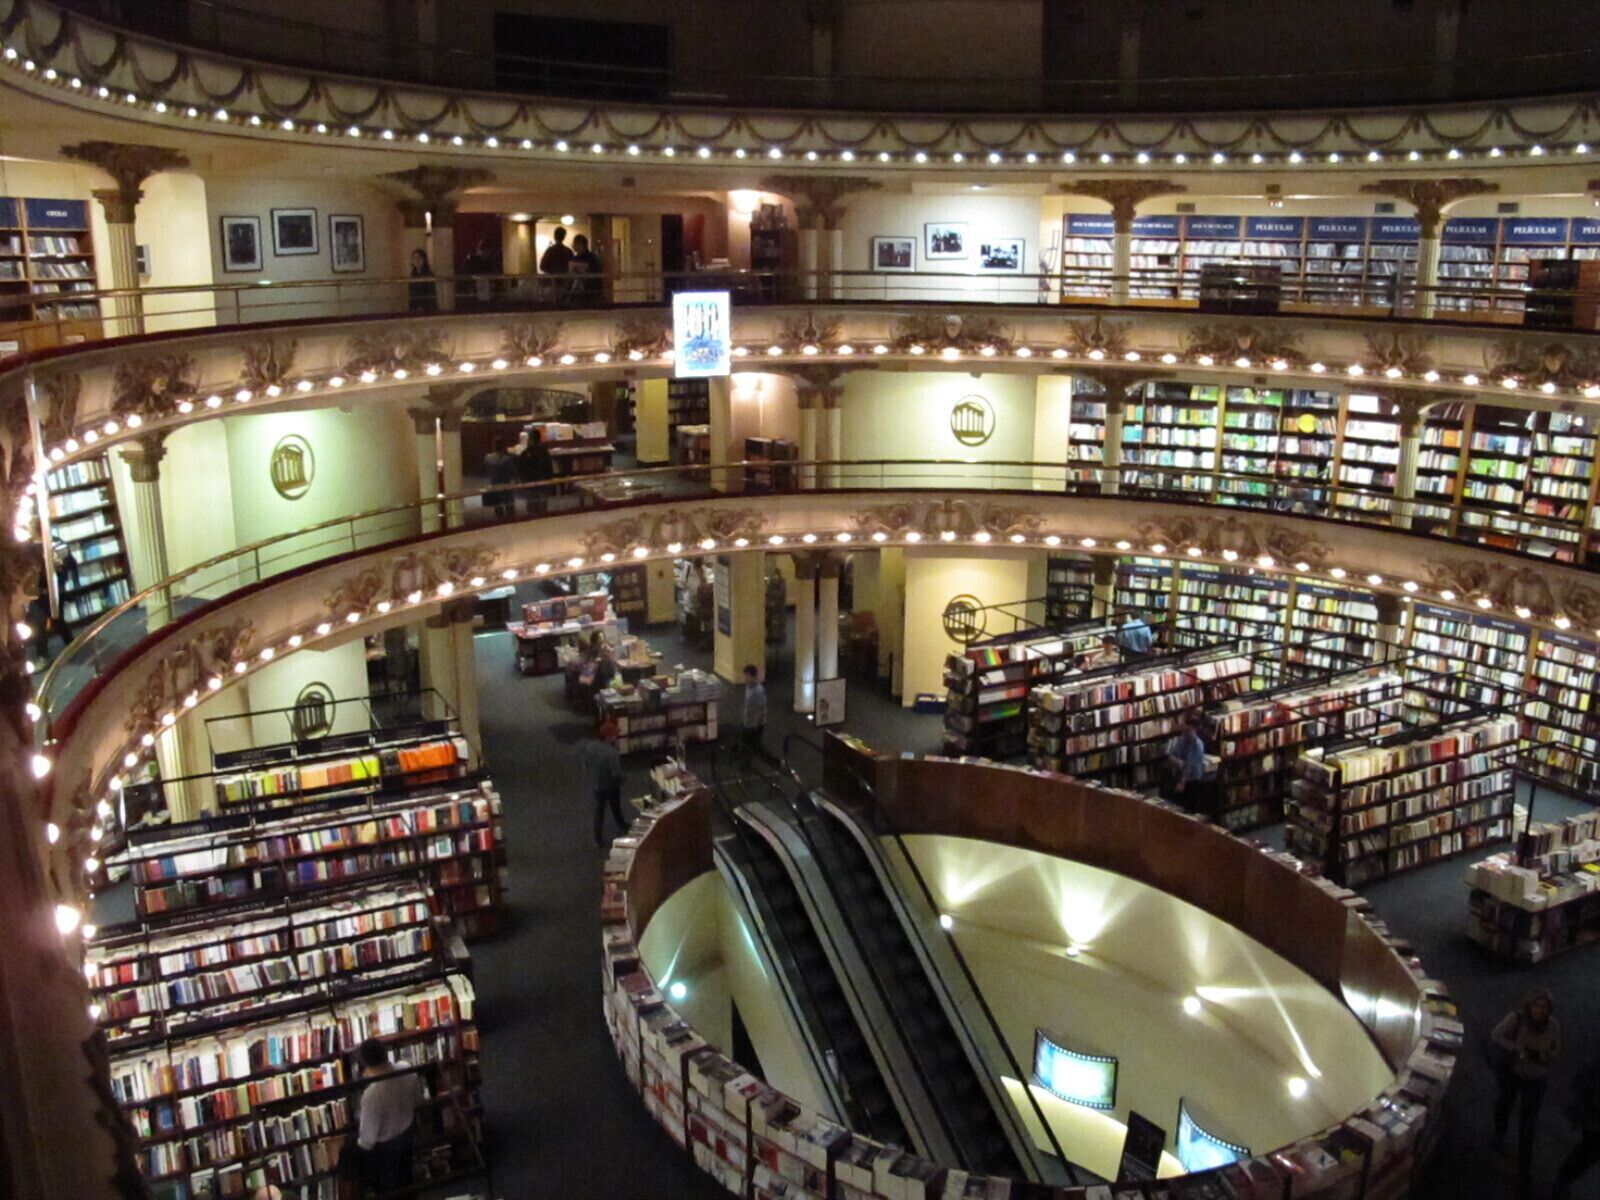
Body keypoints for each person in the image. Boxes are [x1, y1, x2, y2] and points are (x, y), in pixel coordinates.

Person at [1492, 989, 1561, 1184]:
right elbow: (1496, 1035)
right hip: (1515, 1073)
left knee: (1528, 1123)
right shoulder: (1517, 1019)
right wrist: (1515, 1048)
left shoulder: (1553, 1026)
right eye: (1536, 1005)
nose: (1539, 1010)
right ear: (1529, 1005)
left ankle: (1524, 1168)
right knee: (1505, 1105)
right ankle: (1499, 1136)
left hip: (1537, 1077)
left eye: (1544, 1007)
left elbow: (1556, 1050)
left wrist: (1545, 1057)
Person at [355, 1037, 422, 1193]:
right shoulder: (406, 1068)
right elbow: (418, 1100)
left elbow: (367, 1141)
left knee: (351, 1149)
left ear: (366, 1065)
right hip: (408, 1134)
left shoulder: (371, 1094)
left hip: (385, 1149)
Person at [1554, 1054, 1600, 1199]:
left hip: (1593, 1113)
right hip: (1594, 1115)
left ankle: (1564, 1180)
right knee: (1588, 1151)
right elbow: (1585, 1080)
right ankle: (1563, 1181)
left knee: (1589, 1152)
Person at [582, 720, 627, 846]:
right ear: (608, 737)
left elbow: (585, 764)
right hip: (610, 785)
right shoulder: (611, 753)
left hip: (596, 784)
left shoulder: (590, 746)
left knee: (599, 812)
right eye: (614, 735)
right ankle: (621, 825)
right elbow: (616, 773)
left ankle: (597, 839)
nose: (616, 737)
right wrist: (623, 779)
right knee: (615, 806)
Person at [1163, 712, 1207, 799]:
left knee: (1187, 804)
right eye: (1184, 730)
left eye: (1188, 731)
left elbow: (1188, 766)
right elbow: (1171, 755)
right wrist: (1178, 761)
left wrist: (1182, 783)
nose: (1185, 733)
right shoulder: (1181, 739)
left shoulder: (1198, 745)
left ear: (1194, 730)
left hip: (1192, 779)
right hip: (1178, 774)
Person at [518, 429, 555, 514]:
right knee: (543, 508)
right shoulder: (544, 451)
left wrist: (524, 482)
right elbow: (549, 467)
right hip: (543, 483)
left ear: (530, 439)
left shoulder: (526, 453)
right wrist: (549, 480)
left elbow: (521, 469)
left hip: (530, 484)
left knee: (532, 508)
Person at [483, 441, 521, 518]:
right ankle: (511, 520)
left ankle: (500, 520)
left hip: (494, 484)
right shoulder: (508, 459)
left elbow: (485, 469)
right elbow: (513, 471)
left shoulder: (488, 457)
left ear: (493, 446)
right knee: (509, 506)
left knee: (498, 507)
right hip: (506, 484)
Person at [539, 225, 574, 301]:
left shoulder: (550, 251)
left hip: (551, 283)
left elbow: (542, 266)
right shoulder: (568, 251)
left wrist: (552, 271)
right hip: (564, 283)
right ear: (564, 237)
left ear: (554, 236)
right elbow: (572, 267)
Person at [568, 233, 602, 305]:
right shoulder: (576, 258)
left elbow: (596, 272)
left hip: (589, 289)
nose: (573, 246)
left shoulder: (591, 258)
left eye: (575, 244)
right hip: (578, 288)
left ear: (581, 245)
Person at [742, 664, 768, 759]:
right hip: (748, 722)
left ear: (753, 676)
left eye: (747, 676)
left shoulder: (758, 691)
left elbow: (761, 709)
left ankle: (775, 762)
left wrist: (756, 725)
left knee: (754, 745)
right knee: (750, 744)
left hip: (755, 725)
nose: (745, 679)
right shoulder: (748, 687)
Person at [406, 248, 437, 313]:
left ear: (424, 260)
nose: (417, 260)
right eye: (414, 258)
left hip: (427, 308)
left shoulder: (428, 274)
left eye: (419, 258)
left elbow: (431, 293)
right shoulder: (413, 274)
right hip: (415, 307)